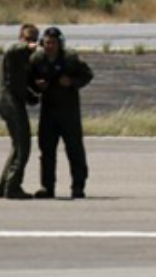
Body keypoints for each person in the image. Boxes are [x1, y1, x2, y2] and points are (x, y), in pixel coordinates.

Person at [31, 27, 93, 200]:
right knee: (47, 151)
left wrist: (72, 82)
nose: (49, 46)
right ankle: (47, 186)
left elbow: (88, 75)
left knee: (75, 150)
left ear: (60, 44)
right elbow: (29, 78)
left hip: (69, 112)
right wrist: (37, 85)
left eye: (53, 43)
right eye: (47, 43)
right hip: (48, 112)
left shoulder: (70, 58)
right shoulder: (38, 58)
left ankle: (78, 185)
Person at [0, 24, 40, 200]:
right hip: (9, 102)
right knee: (23, 146)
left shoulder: (28, 60)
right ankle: (13, 187)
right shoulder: (14, 53)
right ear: (21, 38)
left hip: (17, 102)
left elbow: (23, 84)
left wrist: (32, 94)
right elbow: (10, 49)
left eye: (34, 39)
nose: (32, 43)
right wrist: (27, 46)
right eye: (28, 39)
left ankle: (4, 185)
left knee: (17, 146)